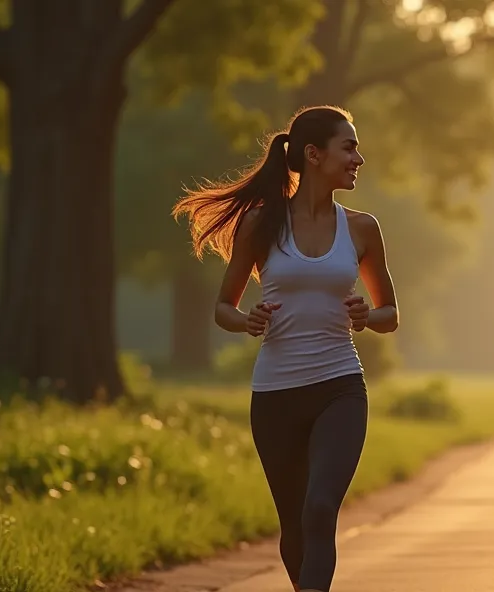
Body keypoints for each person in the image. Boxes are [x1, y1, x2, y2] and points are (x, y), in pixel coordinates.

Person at [172, 106, 398, 592]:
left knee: (320, 507)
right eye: (350, 147)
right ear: (314, 155)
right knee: (295, 522)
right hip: (275, 394)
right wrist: (246, 321)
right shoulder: (261, 225)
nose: (359, 157)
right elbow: (223, 308)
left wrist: (367, 317)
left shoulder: (362, 228)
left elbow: (390, 314)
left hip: (340, 387)